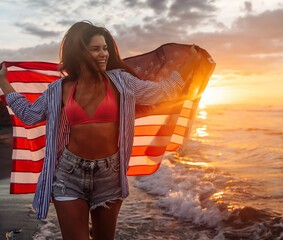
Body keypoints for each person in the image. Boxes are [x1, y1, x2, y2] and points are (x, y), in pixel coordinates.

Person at [0, 21, 201, 240]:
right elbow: (30, 115)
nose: (103, 54)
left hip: (109, 175)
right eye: (96, 49)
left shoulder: (121, 82)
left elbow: (161, 93)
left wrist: (188, 66)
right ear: (79, 53)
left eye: (105, 48)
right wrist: (3, 82)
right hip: (69, 175)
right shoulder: (59, 88)